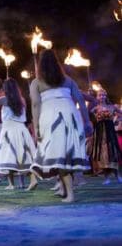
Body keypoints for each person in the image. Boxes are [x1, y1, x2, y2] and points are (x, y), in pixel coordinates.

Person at [30, 49, 92, 203]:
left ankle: (70, 194)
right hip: (70, 114)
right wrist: (87, 121)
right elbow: (81, 102)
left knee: (58, 155)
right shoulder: (68, 80)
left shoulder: (36, 82)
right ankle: (64, 189)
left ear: (40, 64)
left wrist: (36, 126)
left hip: (50, 117)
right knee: (66, 154)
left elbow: (36, 105)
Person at [0, 78, 38, 190]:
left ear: (6, 89)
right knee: (24, 156)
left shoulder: (4, 99)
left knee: (9, 156)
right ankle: (32, 179)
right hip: (22, 129)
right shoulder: (22, 99)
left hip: (9, 130)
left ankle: (11, 184)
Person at [90, 89, 122, 184]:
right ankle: (107, 178)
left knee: (113, 153)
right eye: (100, 95)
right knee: (104, 155)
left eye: (103, 95)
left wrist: (118, 119)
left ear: (106, 96)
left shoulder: (112, 107)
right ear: (97, 97)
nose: (102, 97)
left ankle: (118, 175)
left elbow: (120, 112)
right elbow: (91, 118)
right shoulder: (95, 109)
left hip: (110, 132)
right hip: (100, 133)